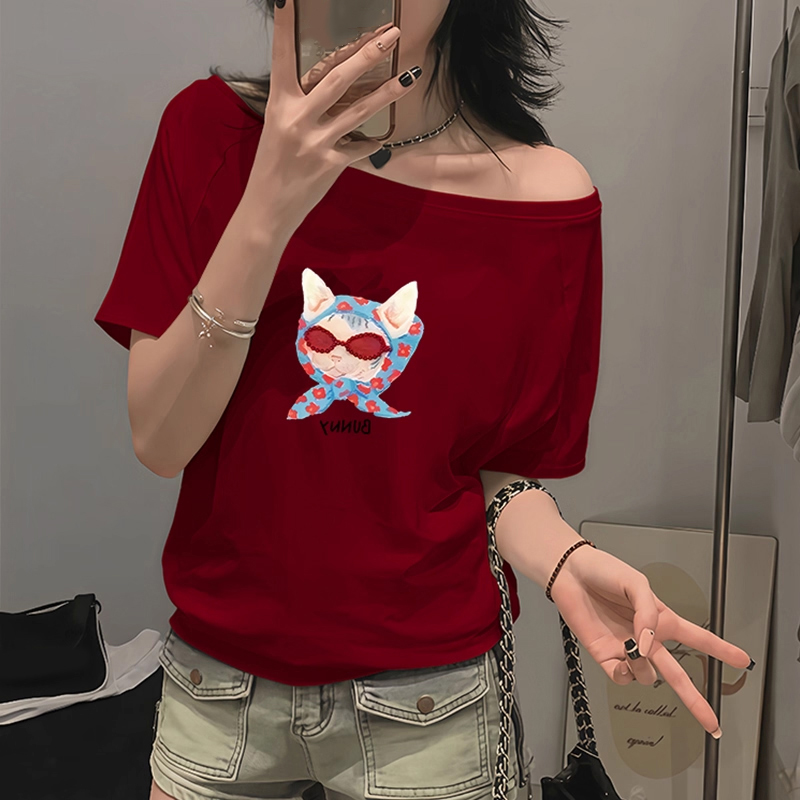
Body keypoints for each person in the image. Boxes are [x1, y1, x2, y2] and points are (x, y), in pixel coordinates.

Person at [94, 1, 755, 799]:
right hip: (219, 693)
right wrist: (268, 200)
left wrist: (564, 560)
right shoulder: (208, 134)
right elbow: (161, 439)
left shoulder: (543, 200)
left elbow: (492, 472)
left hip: (429, 710)